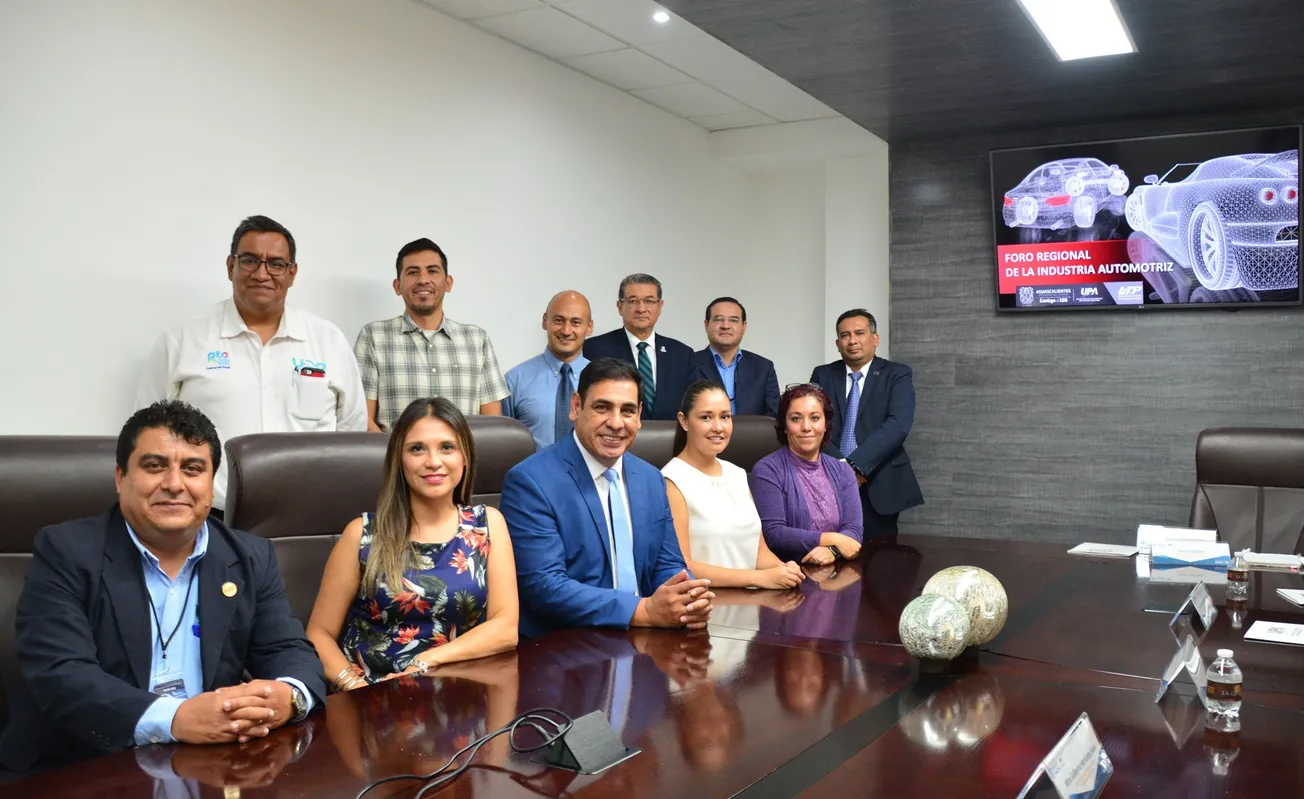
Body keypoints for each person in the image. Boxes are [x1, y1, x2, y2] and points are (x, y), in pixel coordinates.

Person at [0, 401, 325, 776]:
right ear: (121, 477)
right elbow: (61, 673)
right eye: (154, 466)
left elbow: (288, 650)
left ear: (211, 483)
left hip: (209, 764)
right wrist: (176, 718)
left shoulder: (250, 556)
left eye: (193, 469)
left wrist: (287, 696)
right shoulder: (66, 551)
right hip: (87, 767)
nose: (174, 484)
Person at [136, 215, 366, 512]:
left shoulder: (328, 340)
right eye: (249, 260)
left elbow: (351, 431)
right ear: (230, 266)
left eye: (276, 263)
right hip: (209, 514)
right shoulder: (182, 341)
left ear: (292, 273)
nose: (261, 273)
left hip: (308, 515)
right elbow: (148, 433)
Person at [306, 398, 518, 688]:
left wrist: (424, 662)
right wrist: (354, 688)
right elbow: (319, 634)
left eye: (447, 447)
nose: (433, 462)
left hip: (462, 695)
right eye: (417, 449)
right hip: (373, 695)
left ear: (465, 457)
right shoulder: (362, 534)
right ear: (399, 460)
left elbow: (505, 629)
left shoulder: (487, 525)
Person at [500, 358, 713, 638]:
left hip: (644, 639)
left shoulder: (650, 478)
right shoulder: (530, 481)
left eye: (627, 411)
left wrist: (687, 599)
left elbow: (668, 564)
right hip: (565, 645)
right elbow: (544, 586)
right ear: (576, 406)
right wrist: (641, 611)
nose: (616, 423)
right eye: (602, 407)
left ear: (639, 415)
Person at [353, 238, 509, 432]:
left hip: (463, 453)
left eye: (432, 271)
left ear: (448, 283)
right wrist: (395, 452)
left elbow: (492, 424)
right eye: (412, 272)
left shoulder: (477, 340)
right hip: (393, 452)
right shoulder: (374, 336)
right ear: (397, 286)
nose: (423, 280)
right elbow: (362, 418)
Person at [662, 380, 802, 590]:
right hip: (706, 602)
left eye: (725, 417)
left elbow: (759, 553)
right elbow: (682, 567)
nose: (718, 427)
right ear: (684, 421)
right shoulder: (671, 480)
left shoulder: (737, 474)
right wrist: (758, 578)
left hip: (751, 603)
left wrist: (784, 569)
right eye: (706, 417)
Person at [809, 309, 923, 538]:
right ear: (837, 343)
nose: (852, 340)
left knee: (881, 553)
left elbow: (898, 424)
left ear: (875, 338)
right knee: (829, 546)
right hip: (830, 477)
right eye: (845, 335)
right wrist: (842, 468)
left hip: (879, 478)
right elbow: (814, 422)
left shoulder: (897, 374)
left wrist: (856, 466)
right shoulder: (823, 375)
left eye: (859, 333)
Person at [749, 384, 864, 564]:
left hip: (837, 573)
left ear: (825, 424)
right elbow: (774, 533)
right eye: (796, 419)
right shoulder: (767, 470)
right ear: (784, 426)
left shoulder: (843, 471)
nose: (806, 427)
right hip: (787, 572)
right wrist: (833, 539)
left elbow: (854, 530)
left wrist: (832, 551)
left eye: (815, 418)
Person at [582, 273, 693, 421]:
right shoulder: (594, 349)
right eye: (633, 301)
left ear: (660, 307)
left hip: (671, 435)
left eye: (649, 301)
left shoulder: (682, 354)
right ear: (620, 307)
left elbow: (692, 406)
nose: (641, 309)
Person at [501, 290, 592, 450]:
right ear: (545, 321)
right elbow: (502, 445)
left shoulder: (603, 381)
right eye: (558, 320)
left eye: (576, 322)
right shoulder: (514, 380)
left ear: (589, 327)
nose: (566, 330)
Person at [690, 297, 779, 416]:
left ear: (744, 327)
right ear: (706, 325)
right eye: (718, 319)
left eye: (733, 320)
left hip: (751, 429)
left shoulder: (763, 368)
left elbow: (773, 417)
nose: (725, 325)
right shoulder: (688, 363)